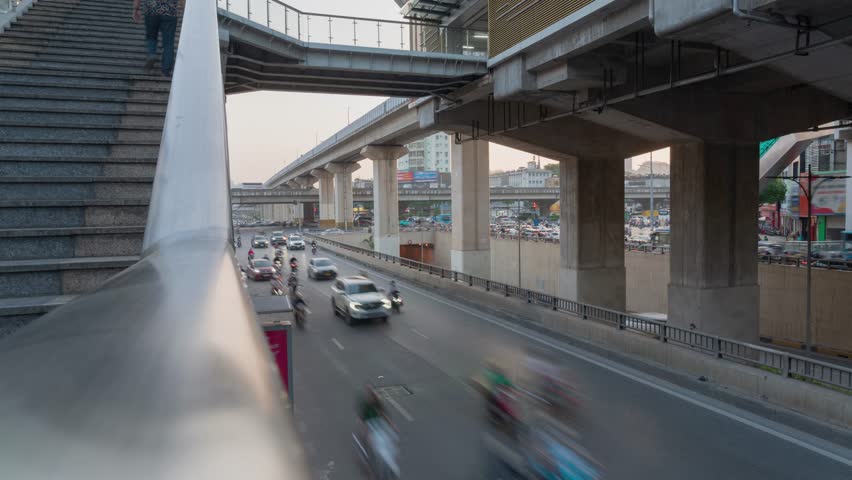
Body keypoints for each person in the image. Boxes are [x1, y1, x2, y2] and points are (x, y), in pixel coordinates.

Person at [132, 0, 183, 77]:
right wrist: (186, 10)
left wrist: (136, 9)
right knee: (168, 42)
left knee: (151, 36)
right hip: (170, 12)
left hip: (151, 9)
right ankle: (166, 69)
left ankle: (152, 53)